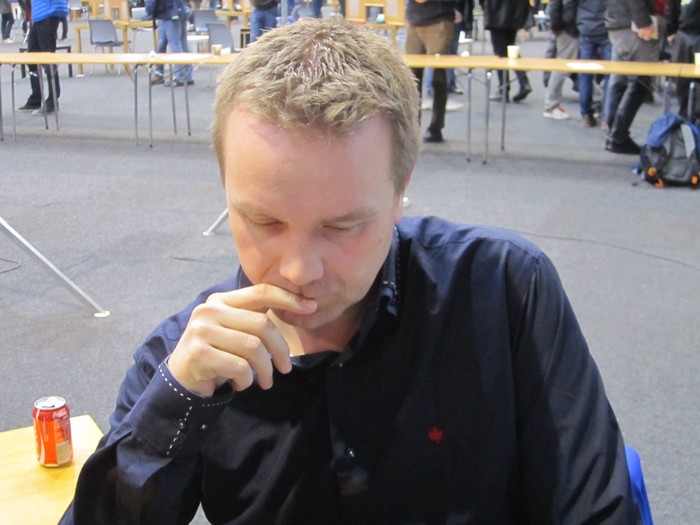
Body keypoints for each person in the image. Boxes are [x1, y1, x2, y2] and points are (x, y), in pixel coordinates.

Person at [59, 18, 641, 524]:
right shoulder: (180, 361)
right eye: (263, 221)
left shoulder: (503, 291)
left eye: (342, 227)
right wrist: (176, 406)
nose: (299, 270)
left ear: (399, 193)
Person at [603, 0, 666, 154]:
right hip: (632, 26)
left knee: (619, 81)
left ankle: (613, 132)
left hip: (617, 23)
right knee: (640, 83)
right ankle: (618, 136)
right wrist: (643, 23)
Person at [405, 0, 465, 143]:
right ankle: (412, 127)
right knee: (411, 78)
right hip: (414, 20)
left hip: (439, 20)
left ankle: (436, 127)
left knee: (438, 75)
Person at [18, 0, 69, 114]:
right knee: (32, 59)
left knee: (48, 61)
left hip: (48, 16)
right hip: (36, 17)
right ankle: (35, 99)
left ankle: (53, 100)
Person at [480, 0, 533, 102]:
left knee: (500, 54)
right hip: (513, 13)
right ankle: (523, 82)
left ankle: (503, 89)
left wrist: (483, 5)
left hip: (495, 13)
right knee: (511, 49)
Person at [572, 0, 611, 127]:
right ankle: (607, 117)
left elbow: (570, 4)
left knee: (585, 75)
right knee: (610, 75)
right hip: (607, 26)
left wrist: (574, 25)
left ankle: (586, 115)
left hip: (585, 27)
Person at [542, 0, 579, 120]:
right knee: (562, 68)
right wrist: (556, 26)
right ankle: (551, 105)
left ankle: (597, 100)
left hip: (572, 28)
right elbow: (556, 6)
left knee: (581, 67)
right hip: (569, 30)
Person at [665, 0, 700, 122]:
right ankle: (684, 112)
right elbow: (672, 5)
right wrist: (671, 30)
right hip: (683, 35)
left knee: (698, 75)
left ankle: (696, 113)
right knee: (682, 77)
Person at [145, 0, 194, 87]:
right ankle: (187, 75)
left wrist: (149, 11)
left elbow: (150, 3)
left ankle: (181, 77)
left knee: (176, 44)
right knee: (181, 43)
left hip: (170, 12)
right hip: (180, 9)